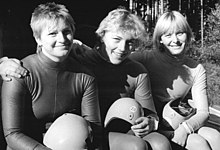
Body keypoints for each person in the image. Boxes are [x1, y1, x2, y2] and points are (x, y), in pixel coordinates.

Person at [1, 2, 101, 150]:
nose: (62, 39)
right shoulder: (18, 73)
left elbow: (94, 128)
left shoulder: (85, 76)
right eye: (53, 33)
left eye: (66, 31)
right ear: (38, 39)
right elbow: (12, 134)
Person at [70, 8, 171, 150]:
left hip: (126, 128)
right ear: (101, 36)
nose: (122, 48)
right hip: (91, 131)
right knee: (136, 146)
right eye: (116, 39)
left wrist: (149, 123)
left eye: (130, 42)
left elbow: (151, 115)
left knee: (161, 144)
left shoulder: (137, 71)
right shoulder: (81, 61)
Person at [129, 11, 220, 150]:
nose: (175, 40)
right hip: (151, 125)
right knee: (198, 143)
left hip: (179, 121)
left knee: (214, 136)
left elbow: (203, 112)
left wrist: (185, 129)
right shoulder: (144, 59)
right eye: (168, 35)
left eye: (180, 33)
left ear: (188, 35)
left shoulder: (196, 69)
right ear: (160, 39)